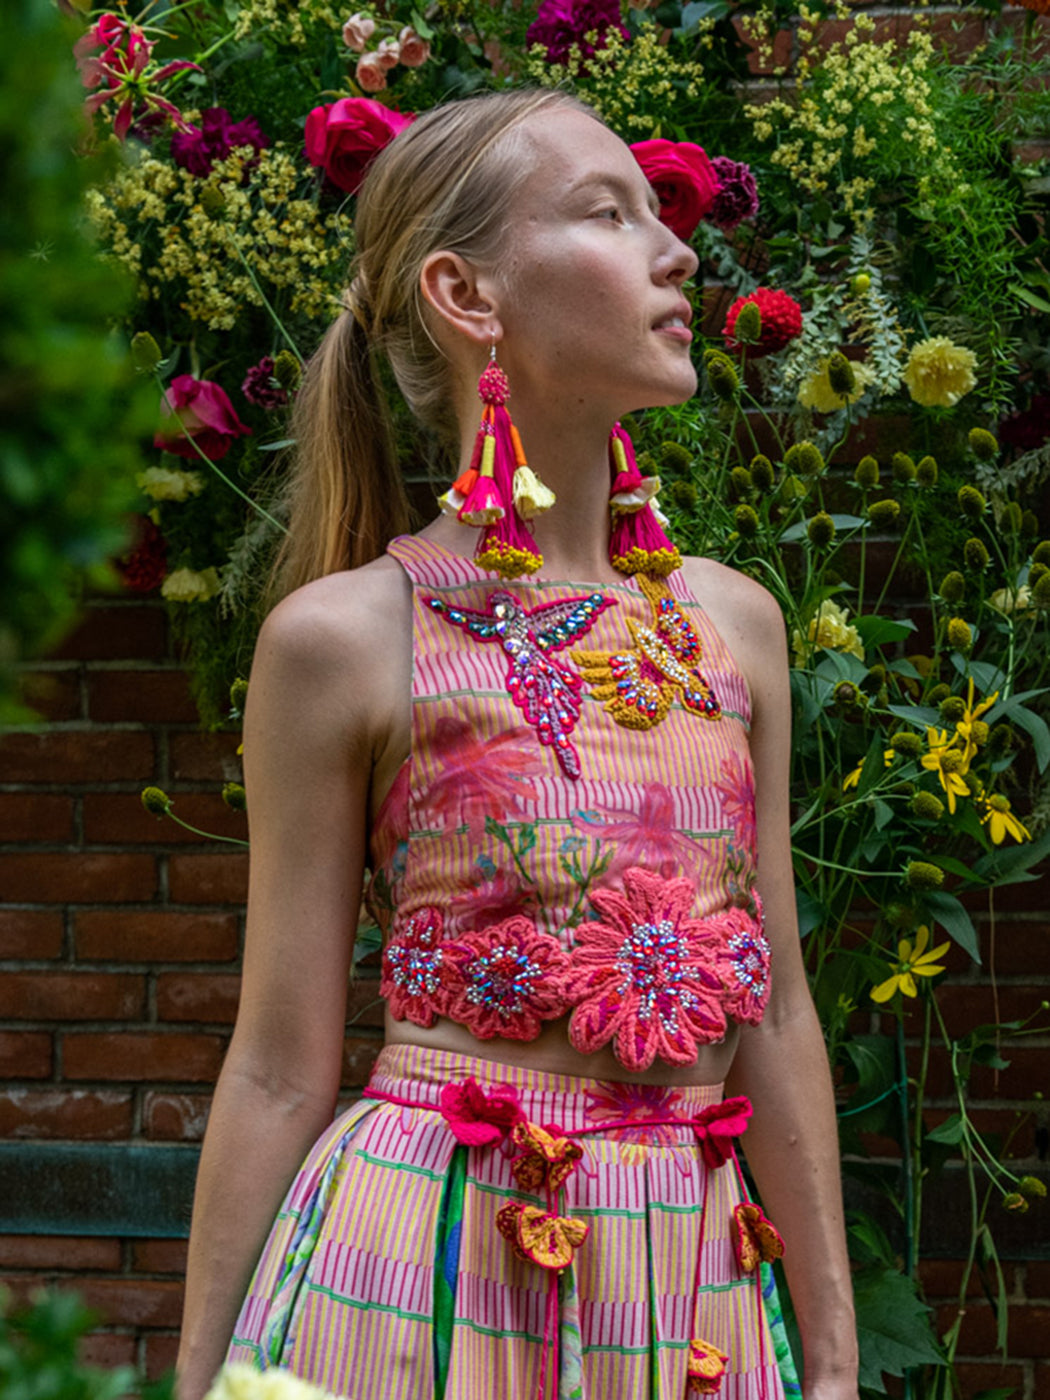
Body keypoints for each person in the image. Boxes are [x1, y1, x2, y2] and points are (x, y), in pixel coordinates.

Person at [175, 88, 859, 1400]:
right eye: (608, 214)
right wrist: (199, 1376)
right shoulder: (346, 638)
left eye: (660, 215)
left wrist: (830, 1362)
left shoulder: (736, 629)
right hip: (421, 1275)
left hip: (692, 1286)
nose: (674, 251)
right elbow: (275, 1061)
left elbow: (771, 1007)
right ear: (465, 293)